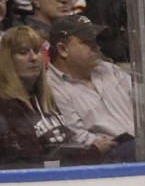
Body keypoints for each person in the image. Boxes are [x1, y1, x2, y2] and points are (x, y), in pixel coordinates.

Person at [46, 14, 145, 161]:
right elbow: (78, 137)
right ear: (63, 49)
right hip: (111, 156)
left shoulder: (108, 69)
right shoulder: (52, 86)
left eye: (95, 40)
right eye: (87, 42)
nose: (96, 46)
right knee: (136, 148)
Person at [0, 25, 97, 167]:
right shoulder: (6, 106)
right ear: (8, 60)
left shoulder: (44, 97)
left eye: (36, 50)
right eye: (23, 52)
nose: (33, 58)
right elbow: (35, 163)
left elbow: (67, 145)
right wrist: (94, 153)